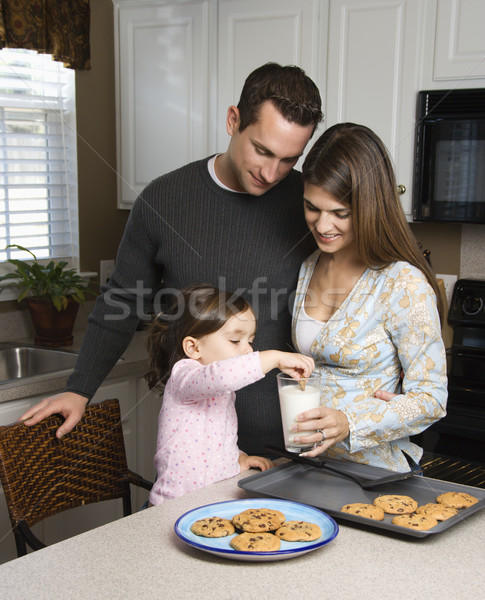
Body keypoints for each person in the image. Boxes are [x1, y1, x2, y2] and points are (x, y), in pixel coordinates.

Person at [20, 63, 322, 456]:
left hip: (290, 437)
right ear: (233, 121)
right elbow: (122, 300)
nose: (271, 172)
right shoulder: (163, 199)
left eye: (288, 160)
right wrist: (80, 388)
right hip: (195, 440)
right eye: (262, 150)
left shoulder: (310, 203)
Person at [288, 123, 447, 472]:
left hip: (377, 473)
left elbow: (432, 399)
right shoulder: (310, 264)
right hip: (311, 467)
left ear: (369, 205)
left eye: (340, 213)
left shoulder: (402, 283)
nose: (322, 225)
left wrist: (351, 421)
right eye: (312, 208)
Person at [145, 284, 314, 504]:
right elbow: (222, 375)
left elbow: (218, 438)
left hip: (211, 501)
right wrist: (273, 357)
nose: (247, 350)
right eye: (235, 341)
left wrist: (238, 458)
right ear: (193, 348)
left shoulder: (222, 392)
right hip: (174, 503)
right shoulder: (184, 377)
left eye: (250, 341)